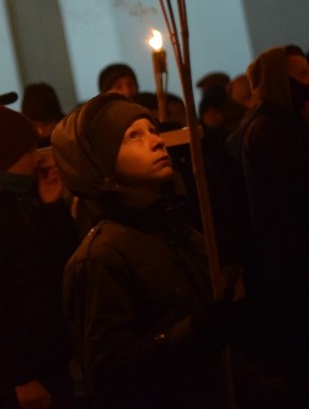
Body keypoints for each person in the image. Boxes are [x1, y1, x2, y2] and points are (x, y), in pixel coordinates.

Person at [51, 93, 254, 408]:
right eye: (133, 136)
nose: (156, 142)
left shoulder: (180, 229)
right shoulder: (100, 256)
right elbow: (110, 372)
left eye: (153, 131)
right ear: (102, 162)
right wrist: (192, 332)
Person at [0, 104, 79, 408]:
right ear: (8, 154)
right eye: (30, 150)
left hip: (50, 358)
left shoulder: (19, 199)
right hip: (26, 375)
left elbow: (61, 260)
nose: (37, 159)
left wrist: (52, 207)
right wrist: (21, 377)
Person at [230, 44, 309, 403]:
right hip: (295, 275)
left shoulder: (274, 125)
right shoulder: (269, 130)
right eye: (303, 76)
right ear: (281, 82)